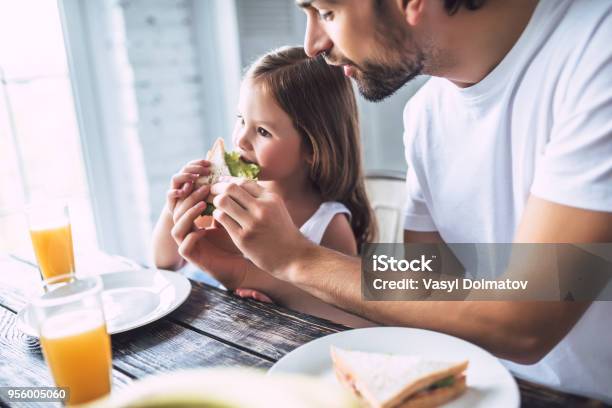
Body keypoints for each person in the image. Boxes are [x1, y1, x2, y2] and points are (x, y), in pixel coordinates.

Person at [170, 0, 612, 402]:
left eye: (326, 12)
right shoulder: (426, 114)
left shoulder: (597, 55)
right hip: (475, 387)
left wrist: (297, 259)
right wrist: (248, 268)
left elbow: (522, 322)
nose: (313, 45)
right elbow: (432, 285)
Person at [152, 46, 375, 327]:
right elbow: (166, 263)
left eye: (263, 131)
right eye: (241, 119)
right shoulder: (231, 200)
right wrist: (176, 208)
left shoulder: (329, 224)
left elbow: (348, 315)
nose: (241, 139)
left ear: (312, 148)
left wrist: (274, 298)